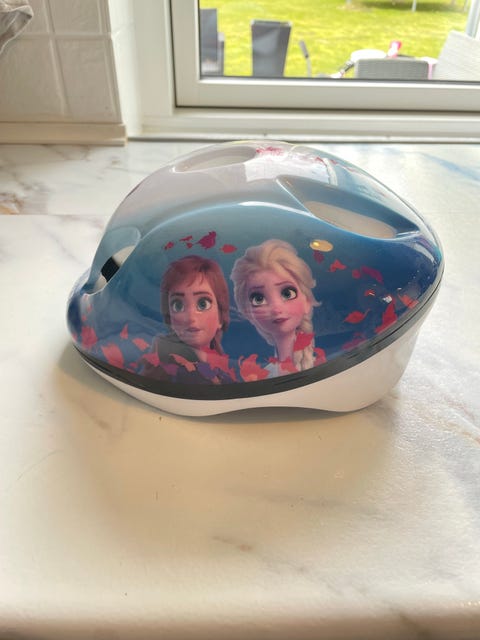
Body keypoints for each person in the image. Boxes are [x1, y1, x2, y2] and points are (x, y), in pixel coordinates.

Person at [231, 239, 318, 373]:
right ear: (248, 313)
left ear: (307, 301)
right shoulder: (266, 374)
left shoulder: (323, 363)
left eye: (287, 293)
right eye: (258, 299)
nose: (276, 309)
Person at [142, 255, 234, 383]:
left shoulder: (221, 368)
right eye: (178, 305)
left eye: (203, 304)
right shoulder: (170, 368)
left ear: (220, 315)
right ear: (170, 316)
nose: (190, 317)